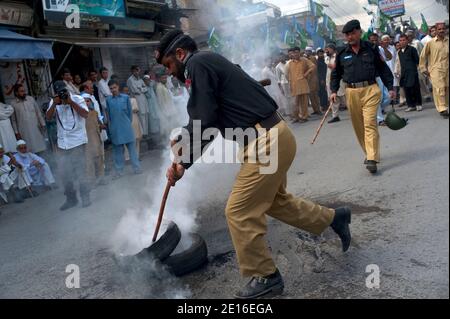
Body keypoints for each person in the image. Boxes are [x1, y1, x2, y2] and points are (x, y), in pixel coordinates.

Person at [157, 29, 352, 299]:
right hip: (270, 137)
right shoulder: (208, 61)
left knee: (238, 211)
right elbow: (204, 119)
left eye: (168, 65)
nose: (169, 72)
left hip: (265, 140)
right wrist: (182, 151)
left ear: (180, 54)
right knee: (274, 201)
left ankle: (265, 276)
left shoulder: (196, 64)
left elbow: (204, 120)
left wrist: (183, 163)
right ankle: (334, 218)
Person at [331, 20, 395, 174]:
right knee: (358, 126)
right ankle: (368, 152)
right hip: (351, 92)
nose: (350, 37)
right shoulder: (341, 52)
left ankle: (372, 158)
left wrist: (390, 87)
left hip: (371, 89)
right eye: (347, 34)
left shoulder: (372, 48)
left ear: (359, 32)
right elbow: (336, 74)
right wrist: (333, 91)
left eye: (353, 33)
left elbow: (383, 68)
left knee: (370, 123)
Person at [46, 80, 91, 210]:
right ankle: (71, 199)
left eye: (63, 91)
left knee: (81, 170)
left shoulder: (77, 98)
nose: (62, 94)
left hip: (77, 141)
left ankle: (85, 197)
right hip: (62, 143)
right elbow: (48, 117)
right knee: (64, 172)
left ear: (67, 89)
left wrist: (70, 102)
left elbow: (85, 114)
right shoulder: (54, 101)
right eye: (59, 92)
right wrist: (54, 104)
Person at [106, 80, 142, 179]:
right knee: (118, 152)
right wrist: (111, 128)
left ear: (118, 87)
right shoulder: (108, 100)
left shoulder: (126, 98)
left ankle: (136, 168)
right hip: (115, 129)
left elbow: (130, 114)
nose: (113, 90)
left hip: (126, 127)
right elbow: (108, 116)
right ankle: (119, 171)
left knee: (132, 150)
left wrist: (127, 123)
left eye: (114, 87)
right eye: (111, 88)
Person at [420, 22, 449, 119]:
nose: (441, 31)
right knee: (439, 88)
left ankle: (445, 106)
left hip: (447, 68)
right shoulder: (430, 43)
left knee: (446, 88)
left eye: (443, 29)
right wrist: (423, 68)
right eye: (439, 29)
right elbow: (423, 56)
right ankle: (442, 109)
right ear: (435, 31)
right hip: (435, 69)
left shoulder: (448, 41)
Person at [10, 85, 47, 154]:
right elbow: (13, 120)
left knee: (40, 146)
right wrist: (16, 132)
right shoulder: (13, 103)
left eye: (24, 91)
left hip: (36, 127)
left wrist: (43, 124)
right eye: (21, 91)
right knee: (29, 150)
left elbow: (38, 112)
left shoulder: (30, 99)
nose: (24, 93)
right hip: (23, 130)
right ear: (16, 93)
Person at [81, 93, 107, 187]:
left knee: (99, 159)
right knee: (89, 162)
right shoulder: (80, 115)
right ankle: (91, 181)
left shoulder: (94, 113)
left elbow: (99, 124)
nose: (86, 103)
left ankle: (101, 178)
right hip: (86, 142)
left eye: (88, 101)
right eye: (84, 101)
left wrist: (102, 126)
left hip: (96, 139)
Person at [286, 47, 317, 123]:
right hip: (294, 85)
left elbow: (313, 66)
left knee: (304, 102)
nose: (295, 54)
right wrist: (290, 83)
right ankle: (296, 117)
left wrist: (306, 74)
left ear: (300, 52)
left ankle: (304, 117)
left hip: (303, 84)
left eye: (297, 52)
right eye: (294, 53)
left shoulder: (304, 60)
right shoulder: (289, 63)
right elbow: (288, 75)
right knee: (295, 103)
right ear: (292, 54)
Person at [398, 34, 422, 113]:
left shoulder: (412, 49)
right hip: (404, 73)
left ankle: (418, 104)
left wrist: (416, 70)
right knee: (407, 89)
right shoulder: (399, 52)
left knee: (415, 88)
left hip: (412, 71)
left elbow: (417, 61)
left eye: (404, 40)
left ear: (407, 41)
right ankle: (411, 105)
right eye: (400, 40)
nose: (402, 42)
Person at [325, 43, 346, 123]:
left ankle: (356, 112)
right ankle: (335, 116)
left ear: (333, 49)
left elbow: (335, 67)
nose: (327, 50)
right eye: (326, 49)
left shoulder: (338, 56)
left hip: (339, 81)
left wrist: (332, 65)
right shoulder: (327, 58)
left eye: (328, 49)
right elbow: (327, 72)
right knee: (333, 99)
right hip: (330, 81)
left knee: (343, 97)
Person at [127, 66, 149, 137]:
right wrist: (142, 89)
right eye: (135, 71)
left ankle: (146, 133)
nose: (137, 72)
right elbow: (135, 91)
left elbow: (146, 88)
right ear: (132, 71)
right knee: (141, 117)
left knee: (145, 116)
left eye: (138, 70)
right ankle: (143, 134)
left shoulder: (140, 79)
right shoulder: (130, 80)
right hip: (137, 100)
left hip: (143, 100)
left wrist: (141, 89)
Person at [122, 86, 143, 159]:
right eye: (125, 91)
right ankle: (128, 157)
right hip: (125, 121)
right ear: (122, 92)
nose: (126, 92)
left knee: (136, 139)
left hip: (134, 120)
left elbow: (136, 109)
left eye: (127, 91)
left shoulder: (133, 99)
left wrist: (129, 110)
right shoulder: (121, 101)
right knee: (127, 139)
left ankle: (136, 156)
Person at [143, 74, 162, 140]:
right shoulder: (144, 88)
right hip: (149, 107)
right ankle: (154, 139)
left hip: (155, 106)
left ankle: (158, 137)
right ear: (144, 81)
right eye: (146, 80)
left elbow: (154, 82)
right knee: (151, 123)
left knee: (157, 120)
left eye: (148, 80)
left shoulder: (151, 86)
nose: (148, 81)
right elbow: (147, 96)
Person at [304, 47, 322, 115]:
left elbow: (313, 69)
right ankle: (315, 110)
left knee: (315, 96)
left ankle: (318, 110)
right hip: (308, 80)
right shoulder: (306, 59)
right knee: (311, 96)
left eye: (308, 51)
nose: (307, 52)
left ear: (310, 52)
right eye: (306, 51)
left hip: (313, 79)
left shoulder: (312, 58)